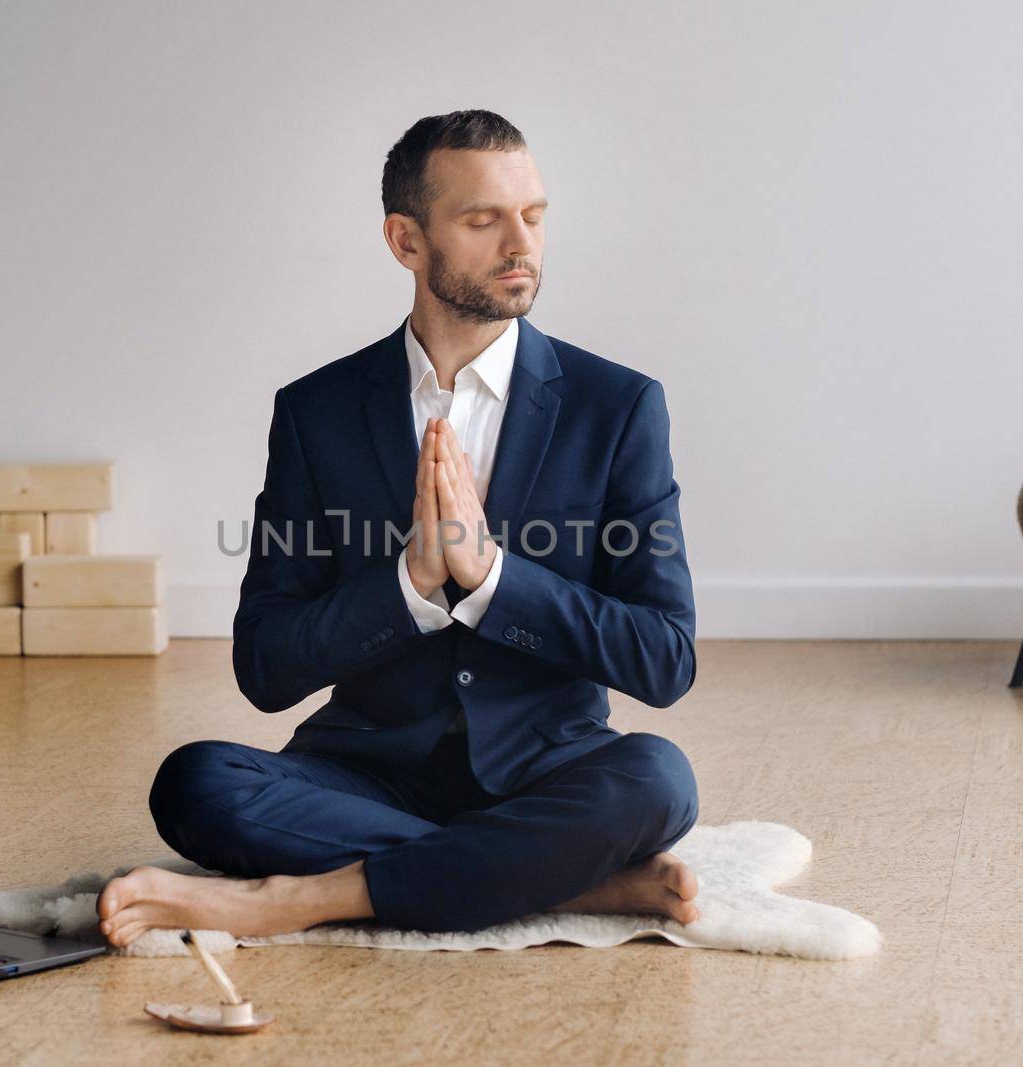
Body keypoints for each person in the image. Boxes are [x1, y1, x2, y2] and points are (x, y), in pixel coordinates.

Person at [98, 110, 699, 946]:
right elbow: (266, 666)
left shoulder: (619, 407)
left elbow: (665, 657)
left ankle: (304, 899)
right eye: (483, 219)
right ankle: (563, 880)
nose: (520, 243)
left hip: (545, 769)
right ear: (406, 240)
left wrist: (490, 577)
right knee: (195, 782)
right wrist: (410, 584)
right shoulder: (317, 412)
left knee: (661, 779)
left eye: (534, 214)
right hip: (365, 773)